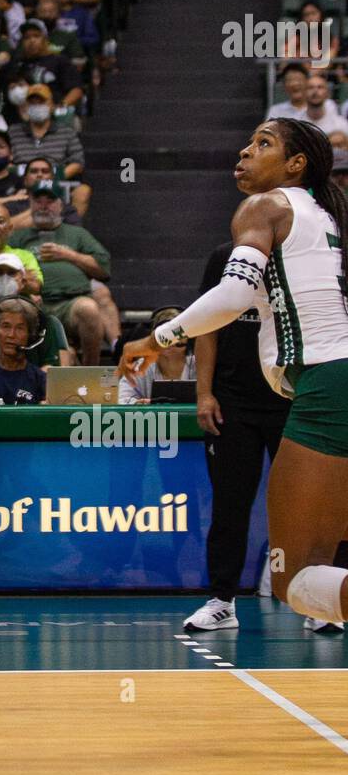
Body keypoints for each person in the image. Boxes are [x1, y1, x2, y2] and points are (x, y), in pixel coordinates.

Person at [121, 120, 348, 635]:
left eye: (263, 143)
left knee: (295, 581)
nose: (246, 151)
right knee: (319, 566)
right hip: (329, 381)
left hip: (328, 384)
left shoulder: (266, 207)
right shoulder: (330, 216)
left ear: (296, 164)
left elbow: (234, 295)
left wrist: (156, 339)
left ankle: (226, 599)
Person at [20, 182, 111, 365]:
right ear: (30, 204)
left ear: (61, 205)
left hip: (71, 302)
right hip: (34, 303)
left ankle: (89, 371)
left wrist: (67, 254)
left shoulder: (77, 234)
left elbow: (103, 267)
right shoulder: (18, 236)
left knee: (89, 309)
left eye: (50, 201)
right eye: (38, 201)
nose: (44, 206)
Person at [118, 307, 197, 403]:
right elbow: (121, 399)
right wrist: (138, 404)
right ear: (153, 337)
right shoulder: (141, 366)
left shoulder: (200, 364)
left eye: (176, 334)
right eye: (165, 335)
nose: (171, 340)